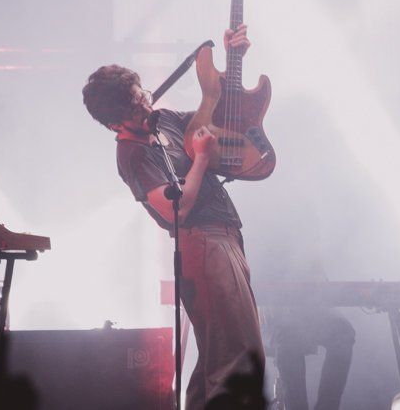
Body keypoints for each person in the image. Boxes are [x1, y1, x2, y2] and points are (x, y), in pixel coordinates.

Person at [82, 25, 265, 410]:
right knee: (239, 360)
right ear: (114, 123)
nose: (146, 107)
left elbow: (219, 116)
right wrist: (199, 158)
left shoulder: (164, 120)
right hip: (201, 243)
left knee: (217, 359)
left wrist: (234, 62)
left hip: (224, 237)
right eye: (134, 108)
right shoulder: (131, 154)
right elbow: (175, 210)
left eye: (142, 96)